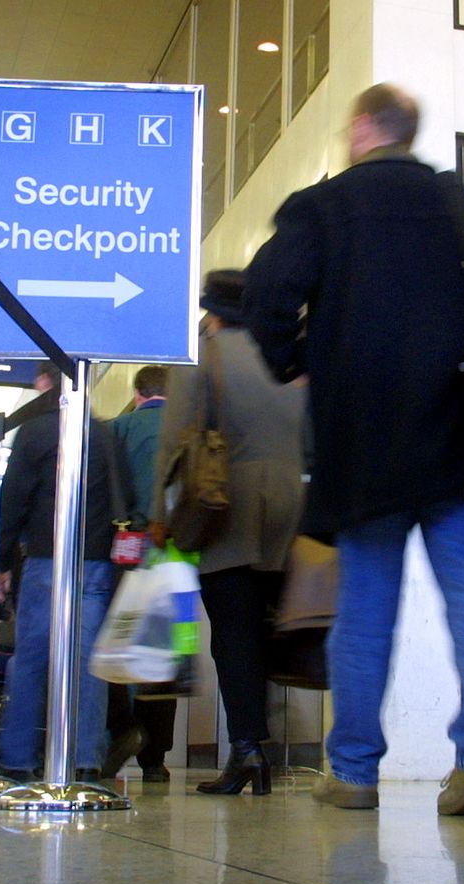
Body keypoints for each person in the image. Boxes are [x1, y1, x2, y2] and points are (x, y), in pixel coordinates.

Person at [244, 84, 464, 815]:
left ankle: (355, 770)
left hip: (364, 436)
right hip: (461, 430)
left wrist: (294, 357)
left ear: (364, 127)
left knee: (366, 598)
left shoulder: (325, 206)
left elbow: (266, 291)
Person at [151, 270, 305, 795]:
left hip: (226, 501)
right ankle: (260, 748)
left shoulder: (204, 355)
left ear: (210, 311)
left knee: (234, 632)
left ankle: (248, 751)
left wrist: (157, 515)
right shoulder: (285, 353)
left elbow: (175, 443)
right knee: (266, 627)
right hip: (289, 502)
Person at [0, 362, 116, 782]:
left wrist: (0, 564)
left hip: (46, 559)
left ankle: (18, 756)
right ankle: (84, 758)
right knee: (88, 663)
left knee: (30, 659)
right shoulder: (102, 433)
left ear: (45, 382)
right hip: (96, 561)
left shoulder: (36, 432)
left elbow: (13, 502)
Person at [101, 364, 181, 782]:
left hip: (128, 548)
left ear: (137, 393)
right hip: (177, 554)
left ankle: (121, 732)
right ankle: (156, 758)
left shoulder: (120, 429)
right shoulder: (190, 428)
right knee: (163, 651)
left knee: (120, 641)